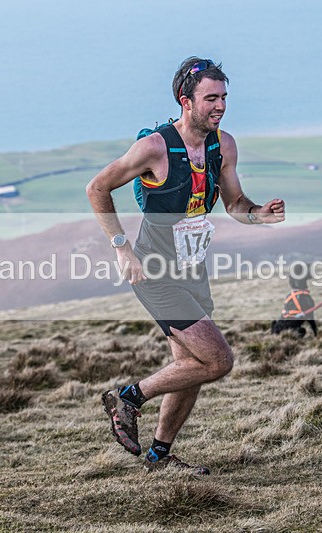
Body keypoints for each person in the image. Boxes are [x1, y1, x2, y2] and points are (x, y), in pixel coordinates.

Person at [86, 57, 285, 474]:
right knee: (218, 360)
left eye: (224, 97)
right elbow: (98, 187)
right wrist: (122, 248)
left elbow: (234, 203)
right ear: (186, 101)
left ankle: (159, 456)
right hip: (155, 270)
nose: (220, 106)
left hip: (193, 268)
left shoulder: (223, 145)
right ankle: (128, 396)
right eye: (210, 98)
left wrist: (259, 214)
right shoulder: (155, 147)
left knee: (190, 368)